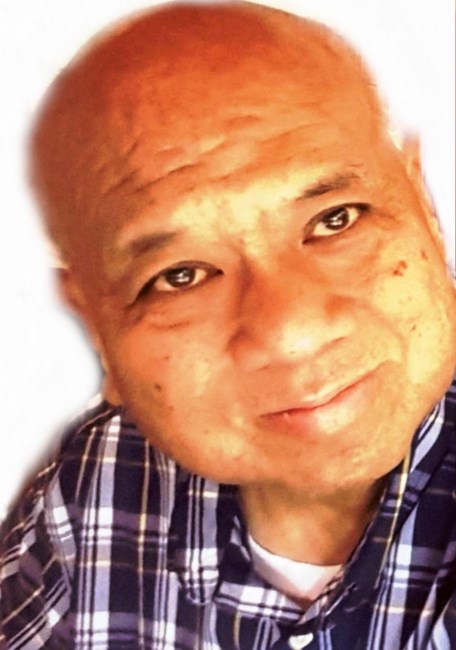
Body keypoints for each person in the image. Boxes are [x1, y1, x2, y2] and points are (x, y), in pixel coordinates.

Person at [1, 2, 455, 648]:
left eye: (337, 219)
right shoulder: (86, 494)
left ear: (424, 209)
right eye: (181, 275)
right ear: (97, 326)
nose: (291, 332)